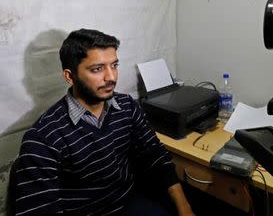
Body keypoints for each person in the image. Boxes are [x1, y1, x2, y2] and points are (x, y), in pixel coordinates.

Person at [13, 29, 195, 216]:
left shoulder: (127, 106)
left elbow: (156, 157)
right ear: (69, 76)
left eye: (114, 65)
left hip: (129, 204)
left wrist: (185, 209)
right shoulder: (43, 138)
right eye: (97, 69)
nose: (111, 77)